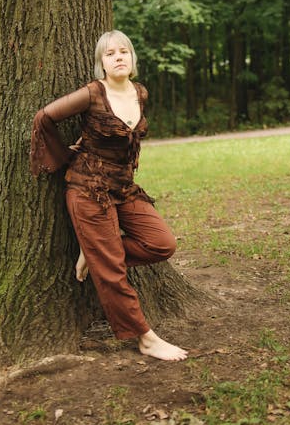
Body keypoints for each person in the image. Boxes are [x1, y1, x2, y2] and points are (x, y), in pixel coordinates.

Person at [30, 30, 188, 362]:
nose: (118, 57)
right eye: (109, 53)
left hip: (123, 187)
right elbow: (44, 117)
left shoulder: (139, 93)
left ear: (132, 59)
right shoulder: (92, 93)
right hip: (88, 189)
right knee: (113, 272)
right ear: (101, 63)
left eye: (123, 51)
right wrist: (64, 158)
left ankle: (97, 251)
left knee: (162, 244)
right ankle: (146, 337)